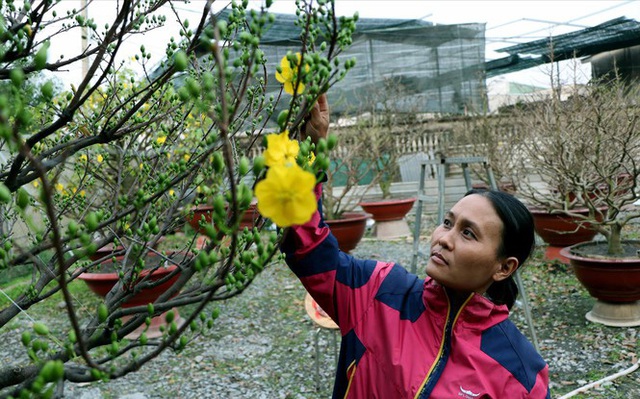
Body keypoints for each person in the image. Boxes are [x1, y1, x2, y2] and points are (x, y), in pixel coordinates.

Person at [281, 94, 550, 398]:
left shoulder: (520, 372)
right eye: (447, 223)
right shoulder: (377, 292)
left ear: (504, 267)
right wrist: (308, 157)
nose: (444, 239)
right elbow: (309, 250)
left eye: (468, 234)